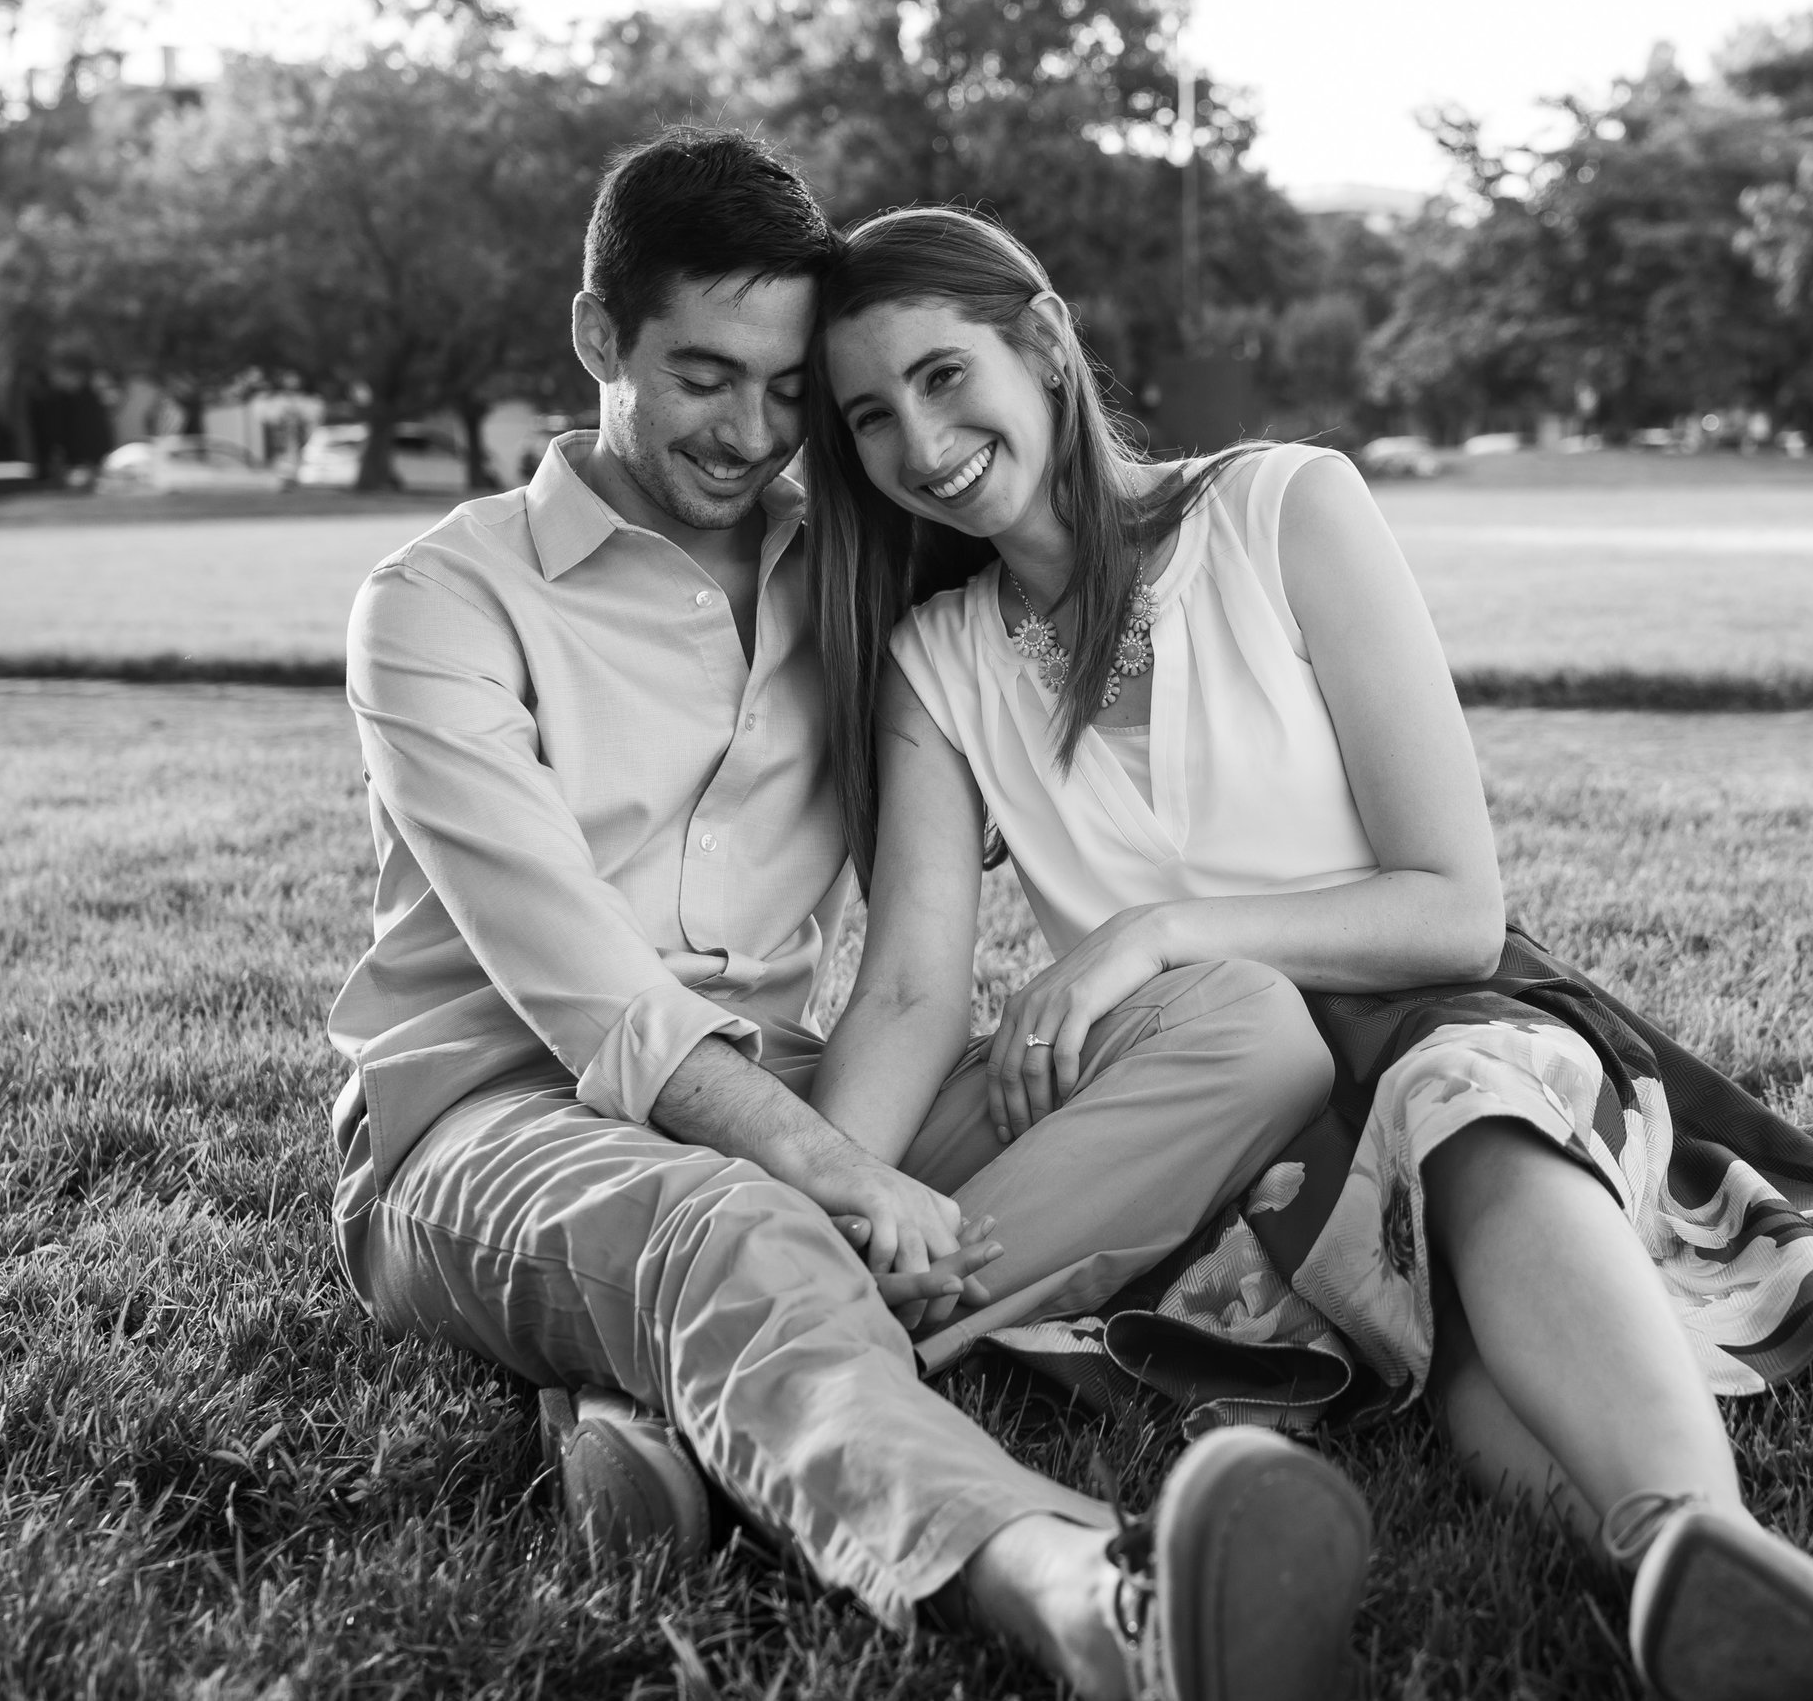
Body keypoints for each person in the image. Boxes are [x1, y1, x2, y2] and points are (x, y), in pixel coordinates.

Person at [798, 207, 1813, 1701]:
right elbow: (918, 985)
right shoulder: (939, 664)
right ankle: (1796, 1620)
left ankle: (1706, 1552)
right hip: (1236, 1127)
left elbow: (1452, 903)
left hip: (1445, 1018)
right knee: (1454, 1352)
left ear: (1045, 347)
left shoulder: (1280, 512)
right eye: (869, 415)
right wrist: (816, 1206)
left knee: (1469, 1122)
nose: (919, 442)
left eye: (943, 377)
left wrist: (1159, 928)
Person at [325, 126, 1374, 1701]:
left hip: (803, 1078)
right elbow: (585, 989)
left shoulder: (858, 575)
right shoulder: (437, 604)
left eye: (788, 390)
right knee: (736, 1216)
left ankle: (701, 1405)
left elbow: (950, 874)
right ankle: (1090, 1596)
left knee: (1243, 1027)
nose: (751, 433)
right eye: (702, 375)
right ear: (598, 334)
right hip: (489, 1118)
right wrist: (828, 1172)